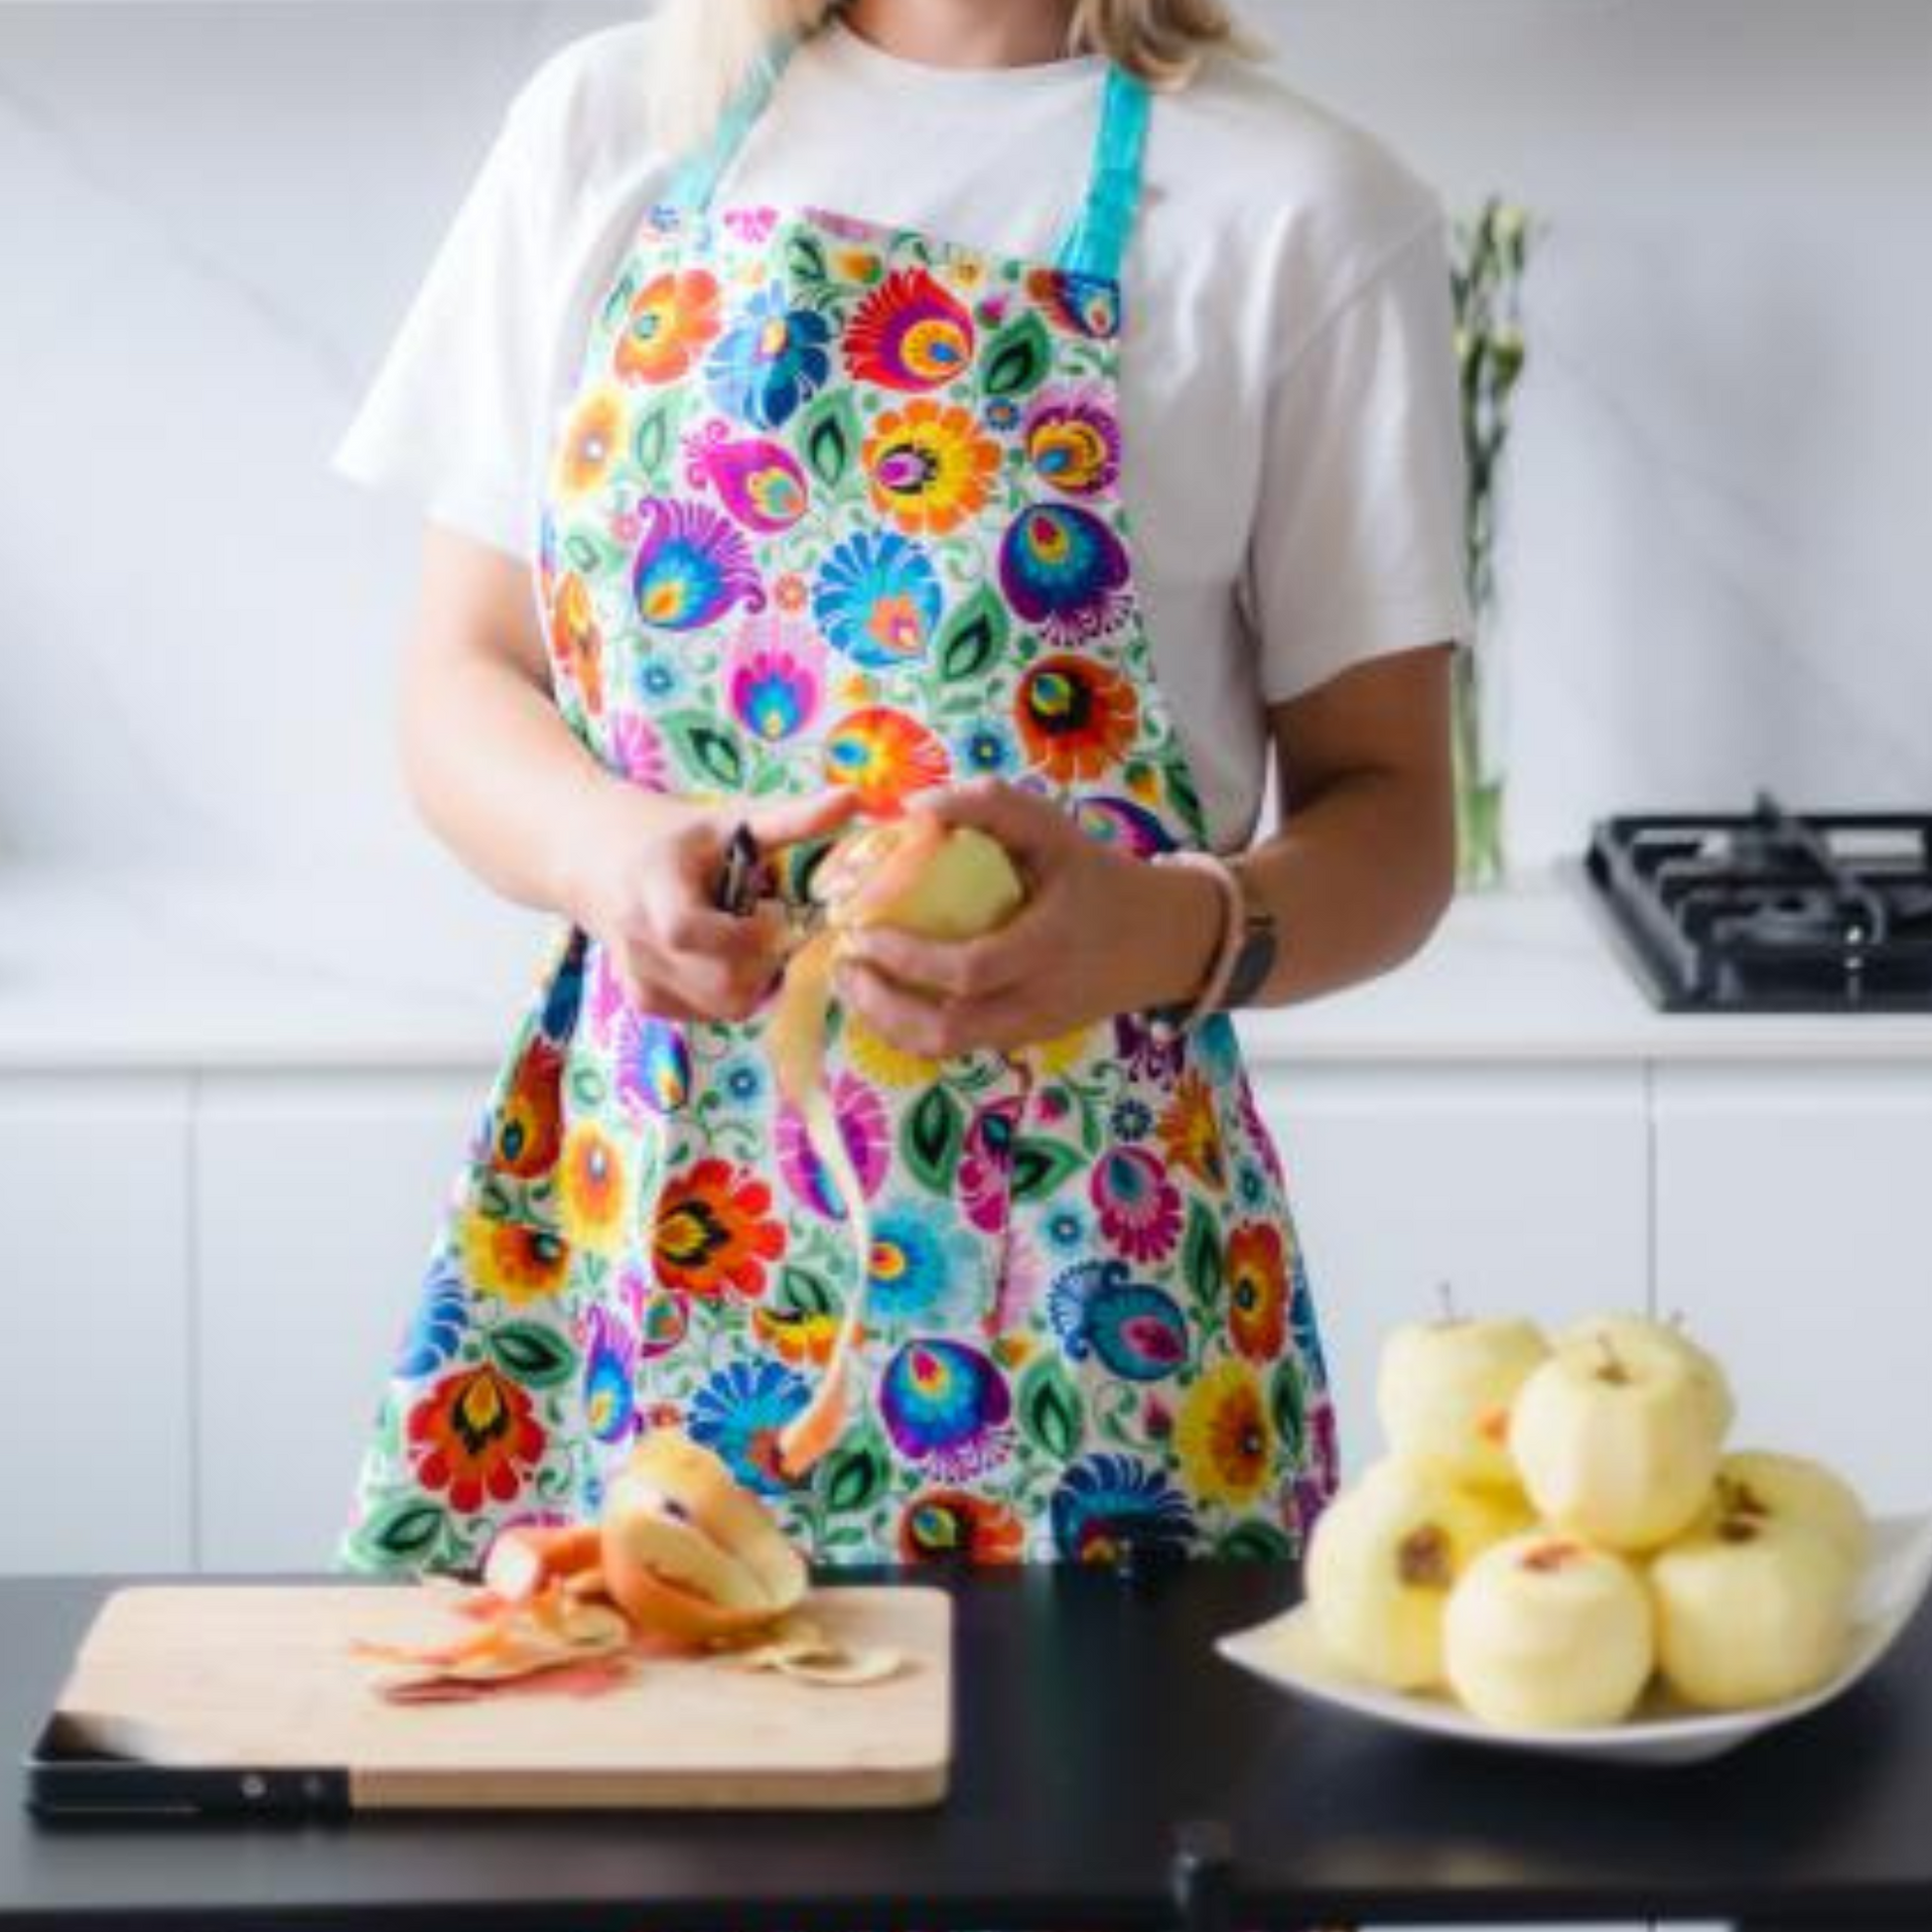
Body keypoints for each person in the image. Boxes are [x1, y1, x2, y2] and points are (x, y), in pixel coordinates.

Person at [330, 0, 1469, 1584]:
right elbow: (459, 680)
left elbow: (1398, 815)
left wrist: (1152, 930)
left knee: (1075, 1818)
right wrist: (612, 854)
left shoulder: (1304, 213)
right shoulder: (613, 127)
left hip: (1092, 1318)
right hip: (638, 1258)